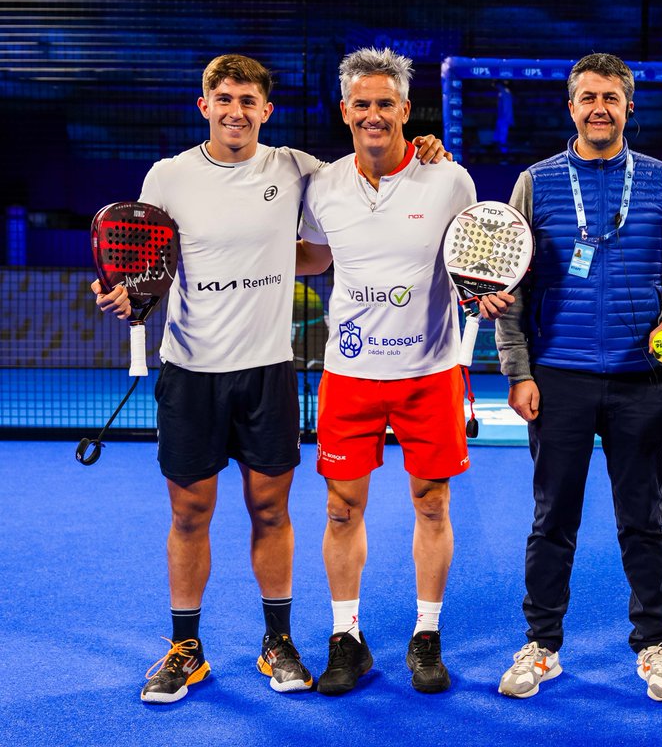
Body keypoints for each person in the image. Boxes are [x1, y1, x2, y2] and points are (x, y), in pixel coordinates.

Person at [92, 54, 449, 704]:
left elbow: (360, 192)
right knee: (190, 511)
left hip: (267, 372)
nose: (235, 110)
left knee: (270, 510)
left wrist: (422, 148)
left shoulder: (296, 171)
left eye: (248, 100)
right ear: (205, 106)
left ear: (266, 110)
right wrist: (126, 296)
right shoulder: (168, 177)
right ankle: (185, 649)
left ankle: (277, 642)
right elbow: (146, 264)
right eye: (223, 98)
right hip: (191, 371)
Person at [295, 46, 511, 696]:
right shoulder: (323, 185)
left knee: (432, 502)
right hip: (350, 374)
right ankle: (346, 639)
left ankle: (426, 634)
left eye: (385, 103)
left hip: (430, 371)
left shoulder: (450, 180)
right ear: (344, 111)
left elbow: (471, 263)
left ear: (405, 110)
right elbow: (311, 258)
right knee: (341, 510)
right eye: (361, 104)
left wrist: (485, 295)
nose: (373, 115)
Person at [493, 52, 662, 702]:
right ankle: (542, 645)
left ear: (630, 106)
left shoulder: (660, 179)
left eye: (611, 96)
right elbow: (513, 286)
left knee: (646, 519)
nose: (599, 107)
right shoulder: (535, 181)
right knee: (554, 518)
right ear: (570, 107)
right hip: (560, 379)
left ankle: (655, 644)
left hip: (642, 378)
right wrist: (519, 371)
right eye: (588, 97)